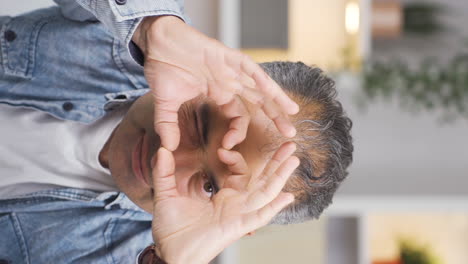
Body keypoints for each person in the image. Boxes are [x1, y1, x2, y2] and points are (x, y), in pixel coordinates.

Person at [0, 2, 353, 264]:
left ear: (236, 226)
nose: (165, 158)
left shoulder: (128, 256)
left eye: (209, 186)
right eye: (200, 123)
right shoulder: (123, 45)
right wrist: (152, 26)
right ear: (229, 79)